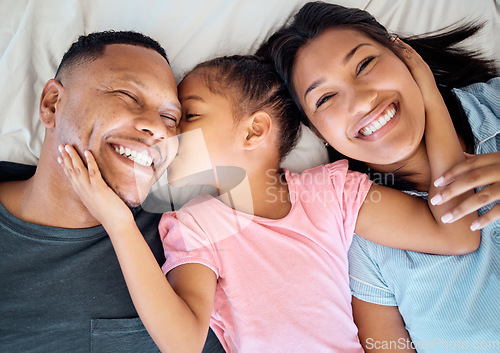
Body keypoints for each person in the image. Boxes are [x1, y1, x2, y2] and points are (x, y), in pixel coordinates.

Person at [58, 52, 479, 353]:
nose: (171, 134)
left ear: (254, 131)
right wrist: (118, 223)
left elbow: (456, 233)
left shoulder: (331, 193)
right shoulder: (194, 225)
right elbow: (183, 342)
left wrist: (429, 93)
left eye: (191, 116)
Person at [260, 1, 499, 352]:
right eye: (325, 98)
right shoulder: (360, 243)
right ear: (318, 132)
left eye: (365, 64)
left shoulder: (494, 105)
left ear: (404, 56)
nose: (361, 101)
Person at [0, 30, 223, 353]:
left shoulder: (186, 234)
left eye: (170, 118)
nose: (159, 129)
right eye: (128, 96)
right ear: (52, 104)